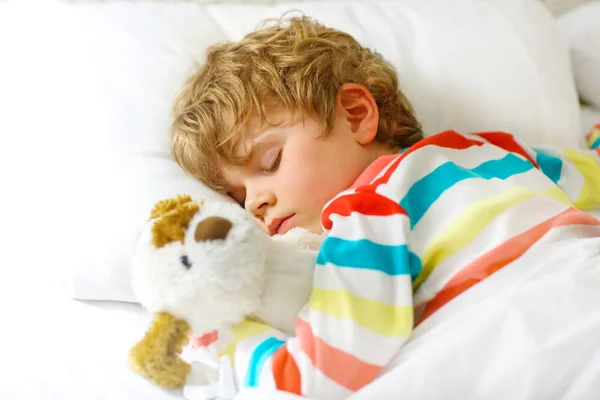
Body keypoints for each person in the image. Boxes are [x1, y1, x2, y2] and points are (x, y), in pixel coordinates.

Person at [169, 15, 600, 399]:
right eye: (238, 198)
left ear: (356, 115)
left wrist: (228, 338)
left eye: (270, 162)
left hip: (537, 340)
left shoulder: (366, 213)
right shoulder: (488, 149)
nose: (256, 204)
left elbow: (318, 372)